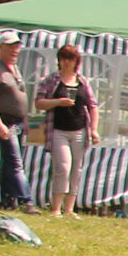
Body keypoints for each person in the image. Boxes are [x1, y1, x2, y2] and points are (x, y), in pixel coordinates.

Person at [36, 44, 97, 217]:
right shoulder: (51, 80)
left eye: (70, 59)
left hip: (79, 130)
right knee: (63, 166)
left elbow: (93, 106)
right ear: (59, 60)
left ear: (76, 61)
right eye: (63, 58)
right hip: (58, 129)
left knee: (76, 168)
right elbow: (39, 103)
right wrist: (57, 102)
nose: (66, 62)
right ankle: (56, 208)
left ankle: (69, 208)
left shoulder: (82, 81)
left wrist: (93, 129)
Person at [0, 31, 28, 209]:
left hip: (18, 122)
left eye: (17, 46)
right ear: (1, 48)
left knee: (9, 160)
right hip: (6, 121)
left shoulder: (15, 68)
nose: (15, 50)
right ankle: (26, 200)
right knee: (15, 160)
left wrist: (25, 121)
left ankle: (7, 198)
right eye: (11, 46)